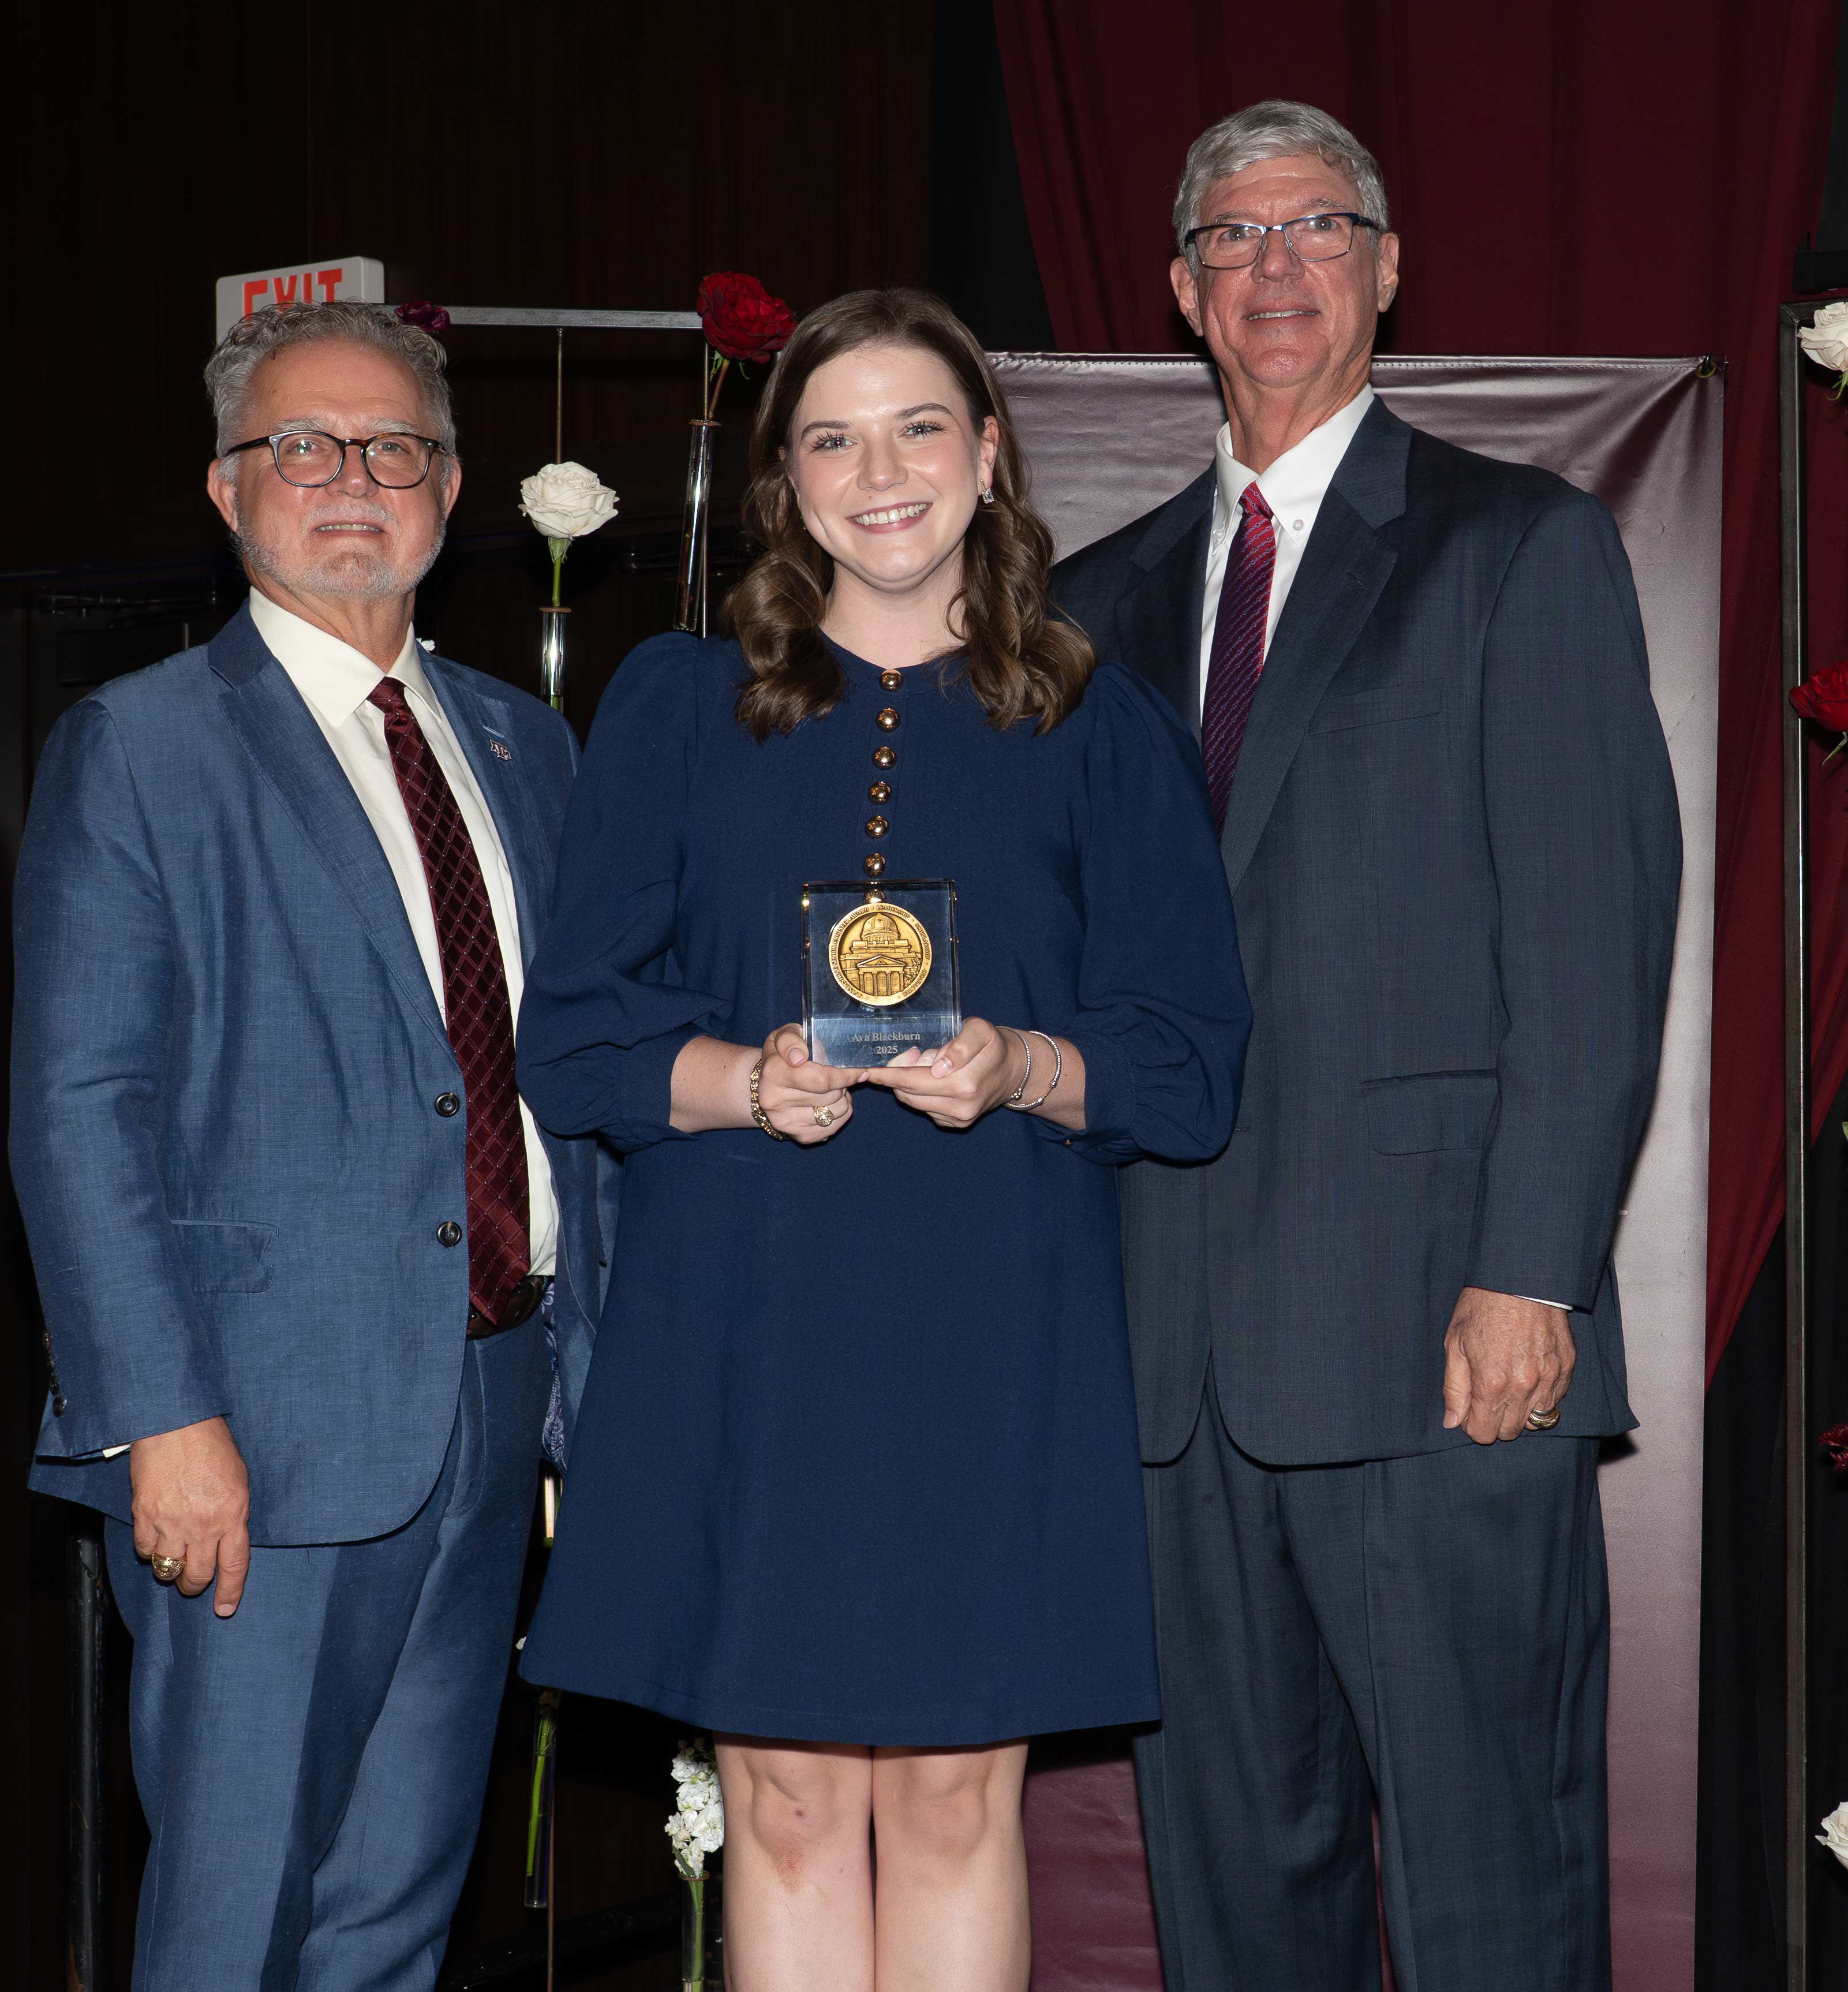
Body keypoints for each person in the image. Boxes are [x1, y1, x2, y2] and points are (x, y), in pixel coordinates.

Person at [512, 289, 1250, 1992]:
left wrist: (1019, 1065)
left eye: (920, 425)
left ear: (989, 455)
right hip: (744, 1316)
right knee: (774, 1799)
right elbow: (576, 1035)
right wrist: (735, 1077)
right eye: (830, 438)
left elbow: (1188, 1064)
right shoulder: (675, 705)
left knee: (943, 1796)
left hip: (991, 1318)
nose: (880, 470)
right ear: (783, 487)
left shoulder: (1100, 724)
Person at [1053, 100, 1683, 1992]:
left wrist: (1528, 1270)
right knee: (1237, 1913)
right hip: (1169, 1375)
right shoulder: (1089, 610)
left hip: (1441, 1346)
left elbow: (1592, 944)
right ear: (1178, 290)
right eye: (1230, 238)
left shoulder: (1518, 548)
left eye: (1317, 227)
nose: (1273, 266)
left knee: (1494, 1892)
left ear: (1388, 269)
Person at [10, 300, 611, 1989]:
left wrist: (581, 1389)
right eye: (302, 447)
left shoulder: (524, 743)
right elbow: (76, 1107)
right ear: (226, 488)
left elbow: (563, 1080)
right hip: (250, 1444)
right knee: (231, 1921)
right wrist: (159, 1417)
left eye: (392, 448)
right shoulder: (139, 748)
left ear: (448, 487)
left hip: (488, 1410)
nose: (351, 480)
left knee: (393, 1919)